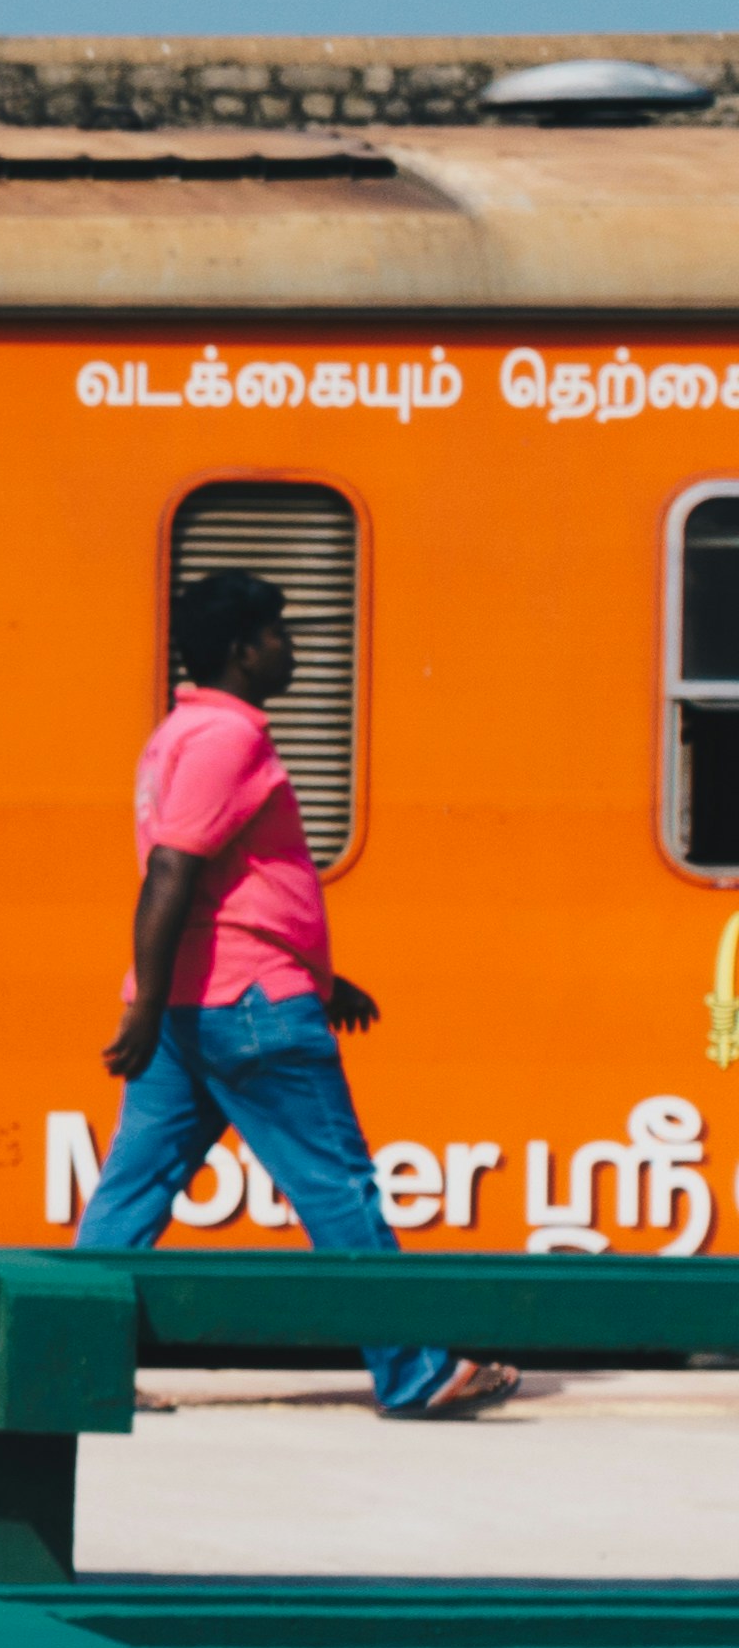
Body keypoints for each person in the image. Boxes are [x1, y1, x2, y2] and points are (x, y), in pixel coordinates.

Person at [77, 566, 513, 1415]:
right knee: (336, 1185)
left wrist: (317, 976)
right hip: (245, 1009)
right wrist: (146, 1001)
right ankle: (415, 1370)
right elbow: (172, 870)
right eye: (278, 633)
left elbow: (227, 885)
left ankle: (82, 1361)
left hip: (200, 1002)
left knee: (133, 1189)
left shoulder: (178, 731)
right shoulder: (227, 740)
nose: (291, 647)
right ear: (243, 650)